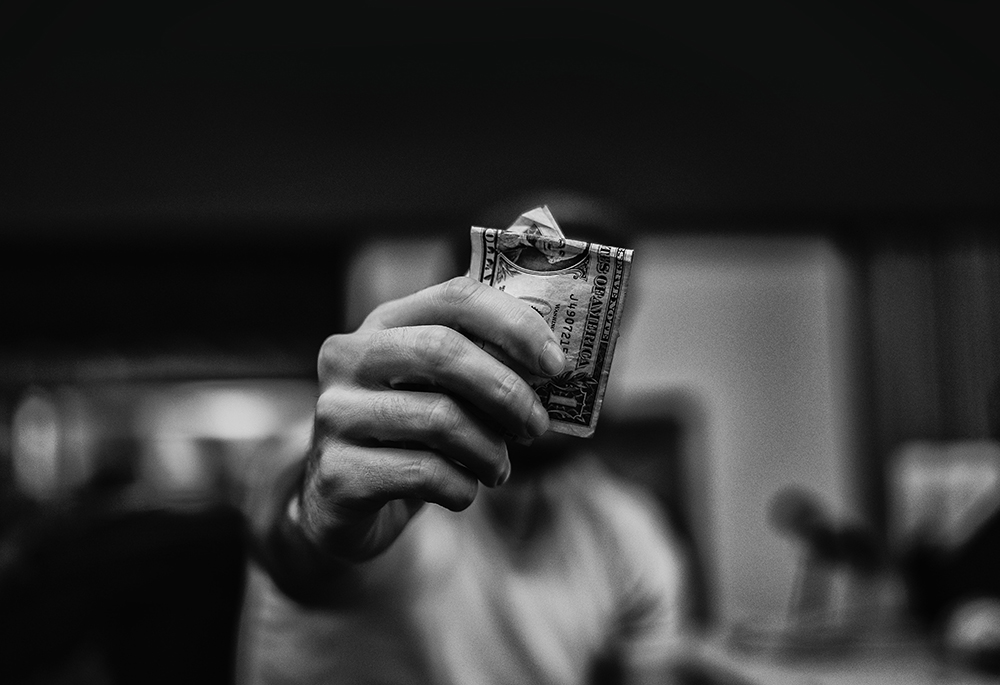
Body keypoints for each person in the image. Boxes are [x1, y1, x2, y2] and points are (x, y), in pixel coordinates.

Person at [238, 274, 694, 684]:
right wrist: (318, 519)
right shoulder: (367, 448)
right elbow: (290, 535)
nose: (556, 351)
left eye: (591, 329)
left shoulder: (630, 530)